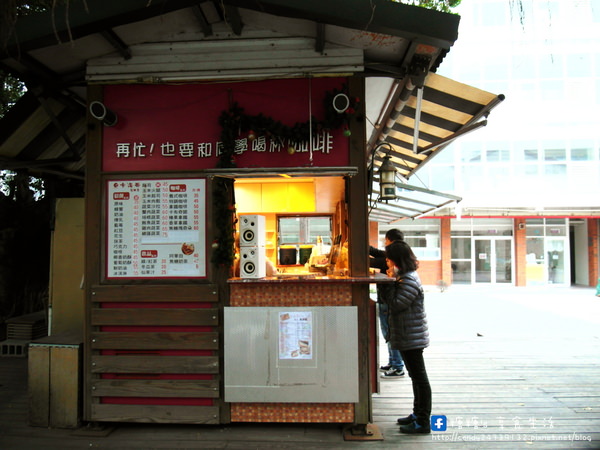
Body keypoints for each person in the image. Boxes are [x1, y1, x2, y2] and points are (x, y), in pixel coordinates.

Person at [384, 240, 431, 434]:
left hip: (411, 336)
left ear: (396, 260)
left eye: (389, 258)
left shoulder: (408, 280)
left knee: (419, 378)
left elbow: (395, 305)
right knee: (415, 376)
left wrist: (388, 284)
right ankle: (417, 414)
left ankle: (423, 421)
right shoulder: (405, 277)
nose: (386, 261)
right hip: (408, 334)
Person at [369, 229, 405, 379]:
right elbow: (377, 253)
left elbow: (374, 259)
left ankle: (397, 366)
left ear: (390, 240)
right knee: (389, 333)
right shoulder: (399, 253)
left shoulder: (394, 255)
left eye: (386, 241)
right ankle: (393, 362)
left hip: (388, 300)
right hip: (387, 300)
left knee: (390, 333)